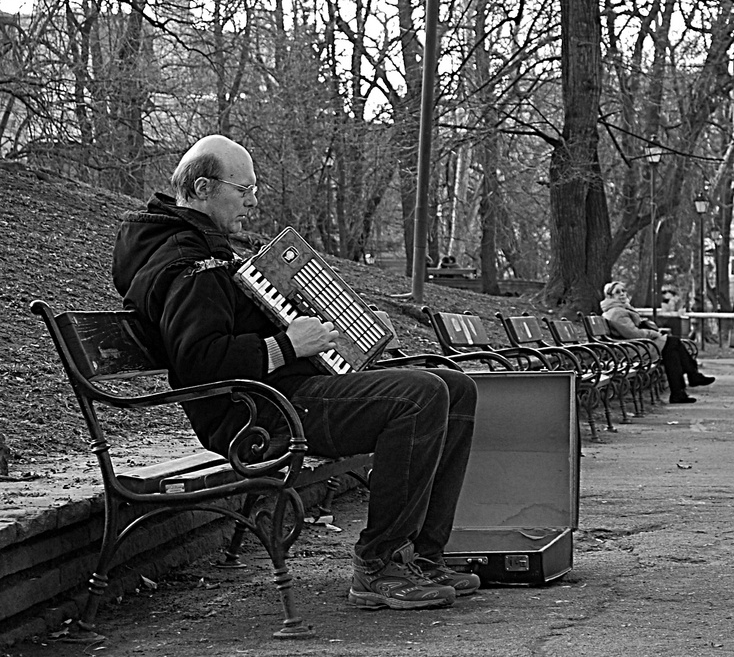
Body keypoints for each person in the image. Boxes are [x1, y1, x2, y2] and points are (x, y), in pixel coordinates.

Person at [112, 134, 479, 611]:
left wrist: (354, 333)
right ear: (203, 188)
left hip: (284, 394)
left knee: (457, 387)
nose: (253, 199)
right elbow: (197, 361)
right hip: (255, 416)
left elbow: (254, 327)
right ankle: (379, 565)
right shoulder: (188, 261)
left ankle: (423, 556)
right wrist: (284, 346)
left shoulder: (203, 247)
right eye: (242, 189)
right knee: (420, 395)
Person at [600, 281, 715, 404]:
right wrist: (654, 333)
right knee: (672, 344)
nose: (622, 294)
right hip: (633, 349)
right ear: (609, 296)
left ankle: (681, 389)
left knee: (672, 350)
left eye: (623, 291)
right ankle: (689, 380)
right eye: (617, 292)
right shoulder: (616, 312)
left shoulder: (620, 309)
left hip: (637, 346)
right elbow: (634, 334)